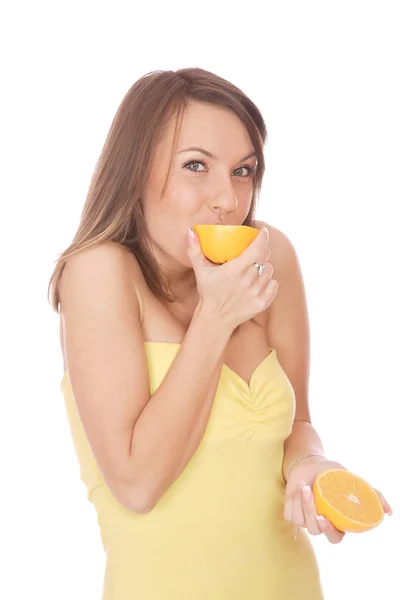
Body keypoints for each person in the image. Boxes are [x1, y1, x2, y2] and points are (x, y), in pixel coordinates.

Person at [48, 68, 392, 600]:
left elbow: (297, 423)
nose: (226, 199)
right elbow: (137, 485)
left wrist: (311, 465)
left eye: (242, 171)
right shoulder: (98, 272)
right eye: (195, 166)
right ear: (135, 170)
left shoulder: (269, 254)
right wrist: (216, 318)